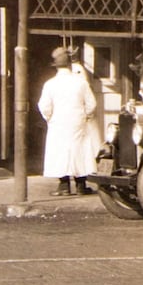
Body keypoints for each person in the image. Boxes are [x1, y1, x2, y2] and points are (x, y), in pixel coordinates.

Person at [37, 45, 98, 196]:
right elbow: (92, 103)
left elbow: (44, 106)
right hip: (78, 120)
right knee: (79, 149)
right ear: (70, 64)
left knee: (60, 150)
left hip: (58, 121)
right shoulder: (80, 82)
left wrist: (49, 118)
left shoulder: (50, 84)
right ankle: (81, 185)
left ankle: (64, 186)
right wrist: (86, 115)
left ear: (55, 66)